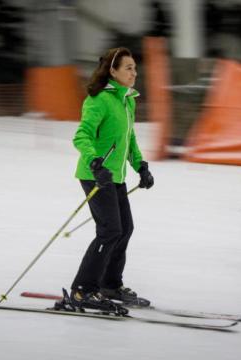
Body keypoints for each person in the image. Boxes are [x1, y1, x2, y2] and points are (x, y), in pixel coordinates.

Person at [68, 47, 154, 311]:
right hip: (95, 175)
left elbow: (129, 139)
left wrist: (140, 165)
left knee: (124, 229)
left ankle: (109, 284)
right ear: (112, 71)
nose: (134, 73)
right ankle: (83, 290)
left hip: (115, 175)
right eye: (128, 68)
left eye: (135, 68)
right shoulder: (99, 99)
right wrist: (95, 162)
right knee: (109, 231)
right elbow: (81, 136)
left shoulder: (128, 100)